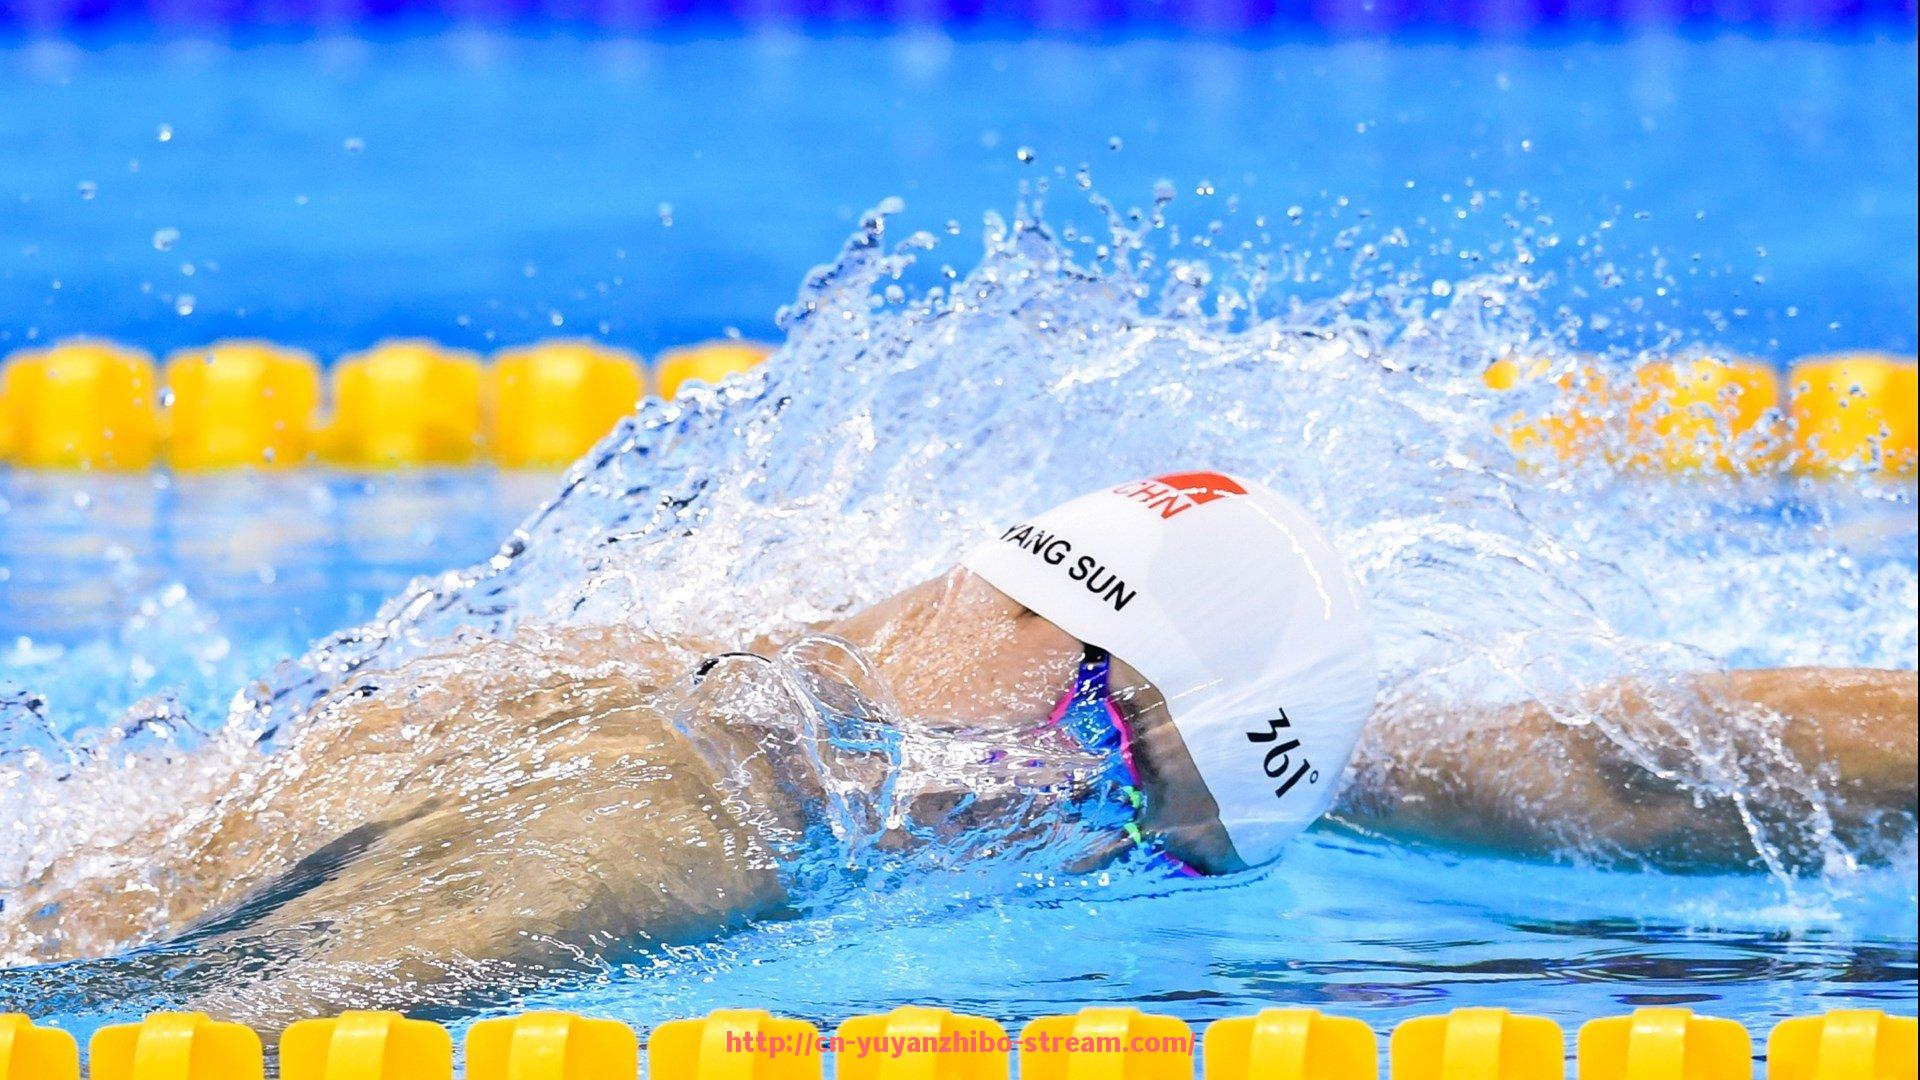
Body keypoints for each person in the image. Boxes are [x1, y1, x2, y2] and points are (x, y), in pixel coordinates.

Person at [1, 472, 1912, 1023]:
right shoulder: (660, 833)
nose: (1069, 834)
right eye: (1107, 764)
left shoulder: (814, 657)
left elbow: (1607, 770)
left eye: (1141, 838)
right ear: (1064, 648)